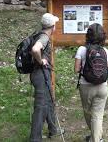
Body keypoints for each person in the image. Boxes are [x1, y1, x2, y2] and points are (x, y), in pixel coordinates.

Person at [74, 23, 108, 142]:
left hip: (86, 86)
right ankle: (96, 136)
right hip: (102, 87)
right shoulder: (105, 50)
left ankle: (96, 139)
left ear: (88, 35)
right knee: (98, 115)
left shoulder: (82, 49)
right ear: (102, 36)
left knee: (88, 112)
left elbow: (76, 69)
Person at [30, 13, 63, 142]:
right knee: (41, 107)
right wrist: (41, 61)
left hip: (42, 75)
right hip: (40, 75)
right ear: (52, 26)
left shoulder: (39, 34)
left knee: (49, 102)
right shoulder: (43, 37)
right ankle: (35, 139)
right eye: (55, 25)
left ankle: (53, 130)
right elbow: (35, 49)